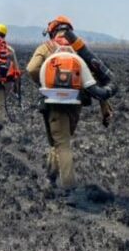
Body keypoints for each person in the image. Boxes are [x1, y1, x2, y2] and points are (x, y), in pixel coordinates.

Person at [27, 15, 117, 189]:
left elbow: (31, 69)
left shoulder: (47, 47)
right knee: (61, 140)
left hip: (53, 102)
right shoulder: (80, 50)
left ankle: (69, 188)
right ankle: (50, 177)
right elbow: (97, 79)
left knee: (62, 144)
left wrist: (44, 83)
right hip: (75, 102)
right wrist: (104, 108)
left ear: (53, 31)